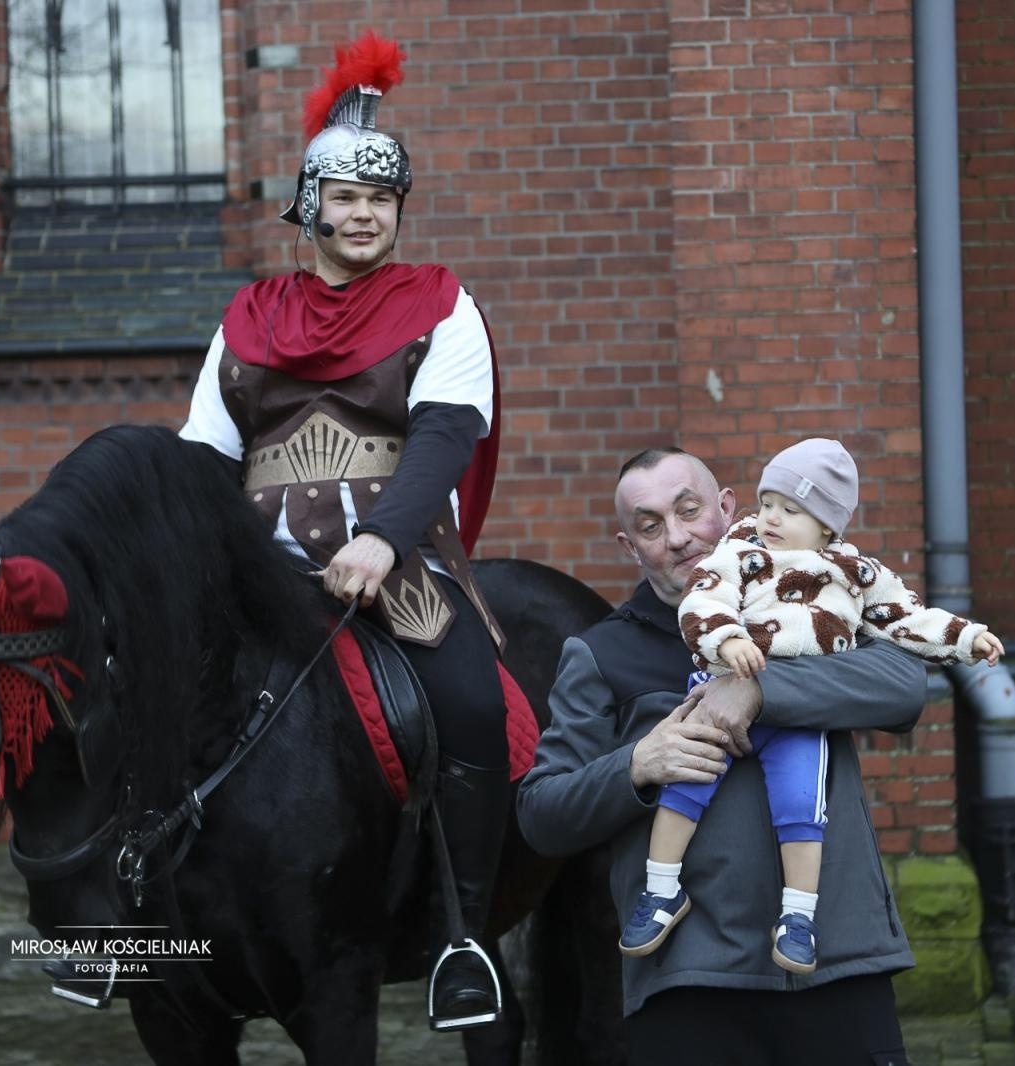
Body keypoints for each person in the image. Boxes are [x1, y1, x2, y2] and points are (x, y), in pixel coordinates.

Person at [178, 33, 507, 1031]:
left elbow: (448, 437)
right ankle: (125, 915)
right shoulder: (247, 318)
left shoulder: (440, 307)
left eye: (381, 200)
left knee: (473, 706)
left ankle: (467, 939)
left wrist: (384, 541)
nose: (362, 216)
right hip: (262, 578)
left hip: (395, 575)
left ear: (396, 211)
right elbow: (203, 454)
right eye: (345, 198)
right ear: (308, 206)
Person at [517, 446, 931, 1066]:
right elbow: (541, 814)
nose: (680, 538)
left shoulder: (815, 604)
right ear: (631, 548)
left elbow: (904, 687)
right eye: (652, 526)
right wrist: (637, 764)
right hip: (691, 984)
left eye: (691, 510)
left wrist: (760, 689)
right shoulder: (602, 654)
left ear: (728, 509)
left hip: (839, 960)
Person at [621, 438, 1005, 977]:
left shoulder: (855, 572)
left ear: (827, 525)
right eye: (768, 502)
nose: (771, 517)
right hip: (721, 685)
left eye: (790, 509)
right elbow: (704, 596)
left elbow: (905, 616)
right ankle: (661, 890)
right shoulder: (742, 548)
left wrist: (967, 639)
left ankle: (798, 918)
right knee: (684, 788)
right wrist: (728, 640)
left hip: (800, 715)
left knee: (803, 807)